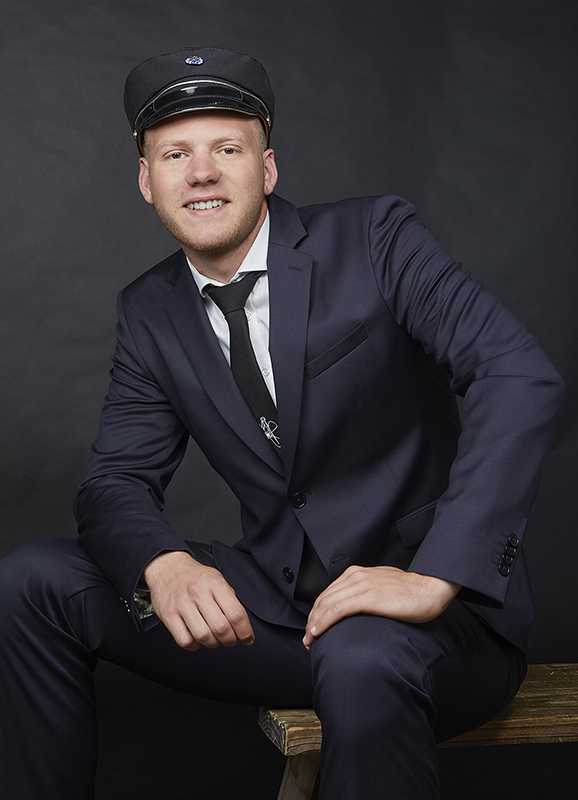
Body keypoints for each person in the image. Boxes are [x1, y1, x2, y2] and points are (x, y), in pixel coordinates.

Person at [0, 46, 564, 799]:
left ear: (266, 168)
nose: (201, 173)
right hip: (282, 612)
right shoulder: (150, 311)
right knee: (31, 583)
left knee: (361, 657)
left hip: (434, 626)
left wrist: (437, 575)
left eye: (227, 149)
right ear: (147, 180)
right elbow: (114, 482)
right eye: (176, 154)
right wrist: (162, 564)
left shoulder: (375, 237)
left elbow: (516, 373)